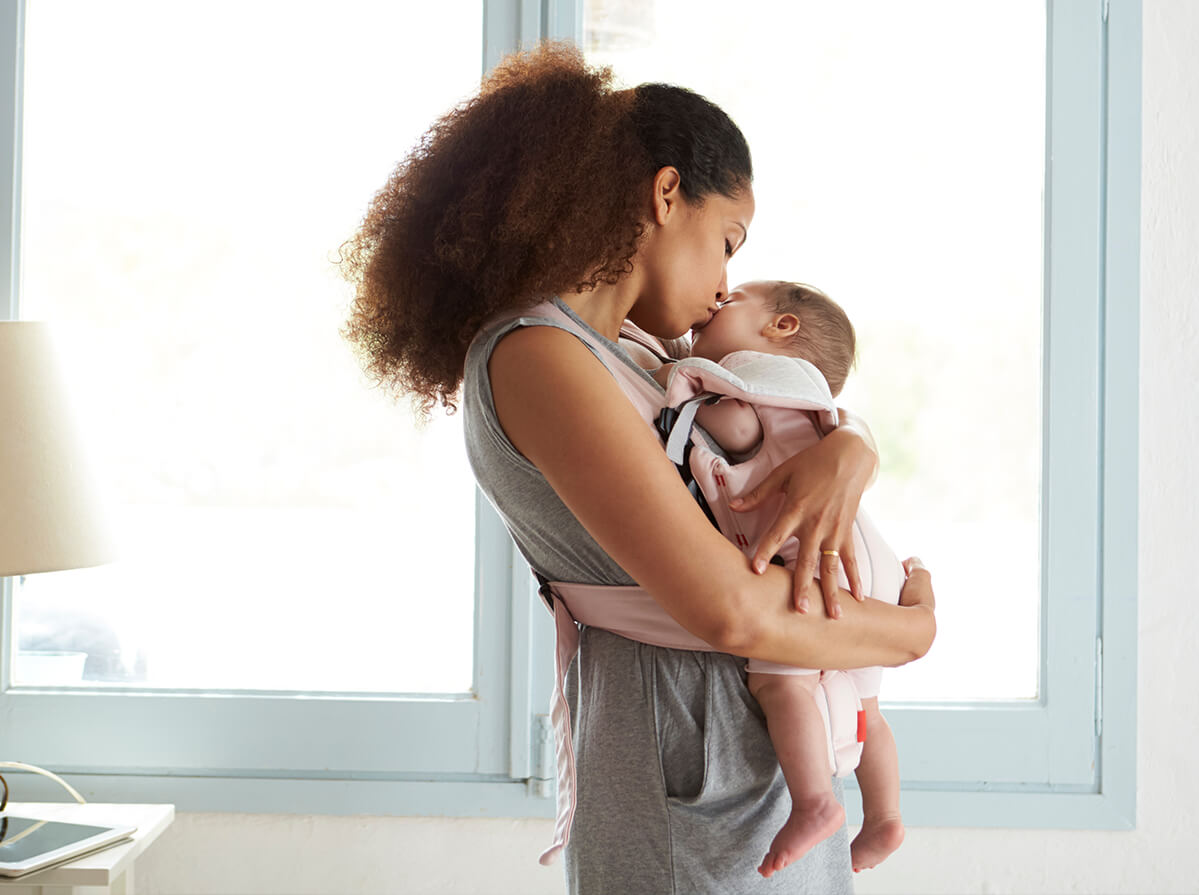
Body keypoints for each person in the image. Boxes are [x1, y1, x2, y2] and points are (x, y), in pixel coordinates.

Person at [340, 44, 935, 894]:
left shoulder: (635, 354)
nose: (727, 283)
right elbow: (727, 605)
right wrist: (908, 633)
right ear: (665, 194)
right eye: (728, 241)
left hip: (756, 762)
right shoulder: (538, 355)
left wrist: (850, 442)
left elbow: (760, 416)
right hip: (688, 772)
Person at [646, 280, 905, 876]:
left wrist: (688, 402)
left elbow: (736, 429)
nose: (714, 302)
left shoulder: (750, 379)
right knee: (866, 701)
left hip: (816, 557)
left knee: (782, 685)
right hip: (870, 559)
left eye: (732, 302)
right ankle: (886, 816)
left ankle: (815, 803)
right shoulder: (807, 397)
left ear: (781, 328)